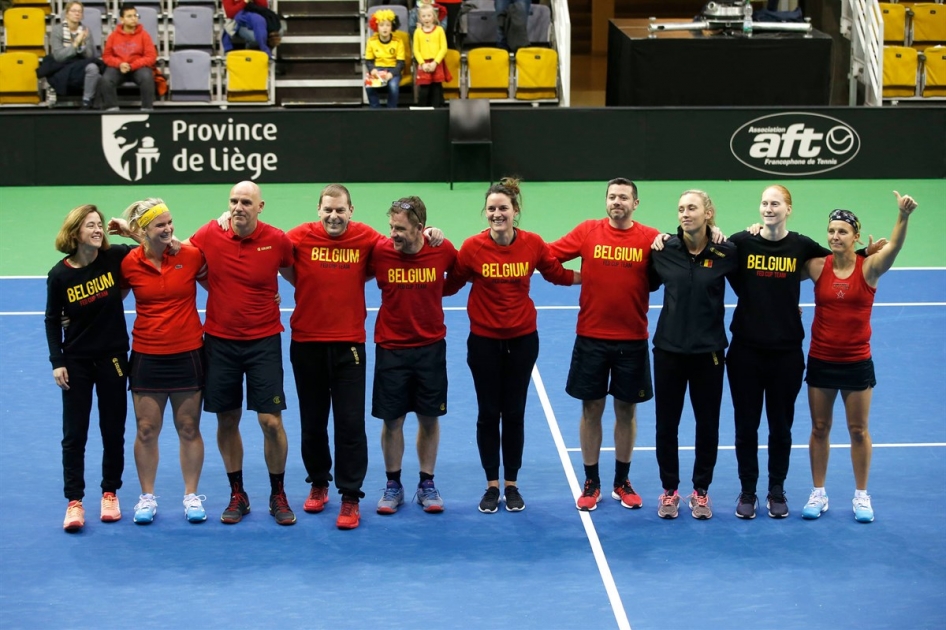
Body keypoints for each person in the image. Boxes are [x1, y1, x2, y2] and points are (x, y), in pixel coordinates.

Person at [727, 185, 887, 520]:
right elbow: (713, 256)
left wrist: (862, 254)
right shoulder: (742, 241)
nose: (769, 208)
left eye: (776, 203)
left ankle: (776, 491)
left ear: (789, 208)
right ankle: (747, 490)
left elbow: (834, 260)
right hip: (745, 351)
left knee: (780, 426)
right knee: (746, 425)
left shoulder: (801, 246)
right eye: (764, 203)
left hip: (786, 352)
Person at [446, 177, 579, 513]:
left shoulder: (532, 244)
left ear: (515, 211)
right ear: (485, 213)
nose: (496, 213)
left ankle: (512, 484)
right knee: (488, 413)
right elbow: (452, 283)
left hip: (522, 341)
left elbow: (555, 273)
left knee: (515, 413)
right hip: (484, 343)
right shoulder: (472, 247)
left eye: (502, 208)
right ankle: (492, 485)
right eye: (491, 208)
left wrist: (595, 275)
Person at [802, 192, 918, 524]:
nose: (835, 236)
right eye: (832, 231)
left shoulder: (870, 268)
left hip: (856, 362)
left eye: (842, 232)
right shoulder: (815, 266)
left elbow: (893, 247)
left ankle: (861, 495)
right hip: (821, 359)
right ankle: (818, 493)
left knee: (857, 430)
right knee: (820, 428)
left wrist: (903, 216)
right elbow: (777, 278)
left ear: (855, 236)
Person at [187, 181, 297, 526]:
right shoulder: (209, 234)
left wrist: (280, 298)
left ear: (260, 206)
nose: (238, 207)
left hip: (264, 342)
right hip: (220, 343)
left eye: (246, 202)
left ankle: (277, 493)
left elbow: (297, 276)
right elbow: (177, 253)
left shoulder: (277, 240)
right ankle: (238, 493)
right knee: (227, 419)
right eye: (234, 201)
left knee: (270, 421)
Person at [548, 178, 658, 512]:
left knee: (627, 411)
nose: (617, 202)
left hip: (633, 339)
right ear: (606, 201)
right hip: (592, 338)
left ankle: (622, 481)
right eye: (612, 197)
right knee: (591, 409)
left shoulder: (651, 238)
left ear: (635, 204)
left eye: (624, 197)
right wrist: (571, 277)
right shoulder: (587, 232)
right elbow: (546, 255)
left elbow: (686, 259)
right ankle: (592, 481)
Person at [118, 199, 208, 524]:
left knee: (188, 427)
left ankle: (191, 496)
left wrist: (269, 295)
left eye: (170, 222)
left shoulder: (191, 254)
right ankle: (147, 497)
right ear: (144, 231)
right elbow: (108, 301)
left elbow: (223, 284)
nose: (169, 229)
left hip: (187, 354)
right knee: (146, 430)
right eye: (160, 225)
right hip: (146, 356)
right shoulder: (128, 263)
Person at [45, 205, 133, 532]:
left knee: (113, 430)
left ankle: (110, 492)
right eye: (90, 226)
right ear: (75, 233)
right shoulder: (60, 275)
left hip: (112, 358)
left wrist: (128, 230)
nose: (98, 230)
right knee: (74, 434)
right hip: (77, 363)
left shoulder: (113, 258)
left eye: (100, 225)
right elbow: (53, 321)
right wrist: (58, 362)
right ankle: (74, 501)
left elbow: (156, 245)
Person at [649, 190, 737, 520]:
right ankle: (669, 490)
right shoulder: (663, 249)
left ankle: (701, 492)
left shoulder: (726, 251)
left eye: (692, 208)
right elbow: (640, 283)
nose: (685, 213)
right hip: (668, 351)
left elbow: (754, 286)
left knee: (707, 424)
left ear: (708, 212)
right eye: (681, 208)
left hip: (709, 353)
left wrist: (786, 309)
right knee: (665, 424)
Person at [369, 197, 458, 515]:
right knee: (392, 420)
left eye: (401, 229)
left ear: (420, 228)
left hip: (430, 348)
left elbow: (458, 274)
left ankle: (426, 484)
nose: (393, 234)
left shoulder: (441, 249)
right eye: (391, 227)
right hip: (391, 348)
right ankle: (393, 485)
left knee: (429, 418)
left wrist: (437, 290)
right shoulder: (379, 251)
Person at [41, 1, 101, 109]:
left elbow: (90, 56)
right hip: (62, 66)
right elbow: (59, 56)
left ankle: (87, 101)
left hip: (80, 64)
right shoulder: (57, 30)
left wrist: (82, 45)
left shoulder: (85, 30)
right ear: (67, 13)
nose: (77, 13)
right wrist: (75, 44)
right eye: (73, 11)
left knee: (94, 68)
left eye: (79, 11)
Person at [100, 4, 157, 112]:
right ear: (122, 19)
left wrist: (132, 66)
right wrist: (119, 64)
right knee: (106, 80)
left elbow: (151, 57)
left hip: (137, 67)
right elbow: (107, 56)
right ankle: (112, 110)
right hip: (118, 67)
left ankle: (147, 109)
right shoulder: (113, 36)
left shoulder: (144, 35)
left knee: (147, 77)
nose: (134, 18)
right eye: (129, 16)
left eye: (135, 15)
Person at [364, 10, 405, 109]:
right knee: (369, 86)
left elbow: (401, 63)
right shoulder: (371, 41)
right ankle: (375, 108)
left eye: (388, 25)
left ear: (392, 27)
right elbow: (368, 61)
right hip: (377, 69)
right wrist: (372, 70)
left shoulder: (398, 41)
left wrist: (391, 74)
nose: (385, 28)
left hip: (393, 69)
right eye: (382, 25)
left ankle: (391, 109)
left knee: (393, 86)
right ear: (376, 27)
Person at [413, 3, 450, 107]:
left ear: (434, 16)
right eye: (423, 16)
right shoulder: (418, 32)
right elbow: (416, 50)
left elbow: (443, 48)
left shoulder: (439, 30)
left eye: (429, 15)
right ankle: (422, 113)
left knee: (436, 89)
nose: (426, 18)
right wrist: (422, 63)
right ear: (420, 18)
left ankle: (437, 111)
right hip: (423, 64)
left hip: (436, 63)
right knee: (424, 90)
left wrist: (435, 62)